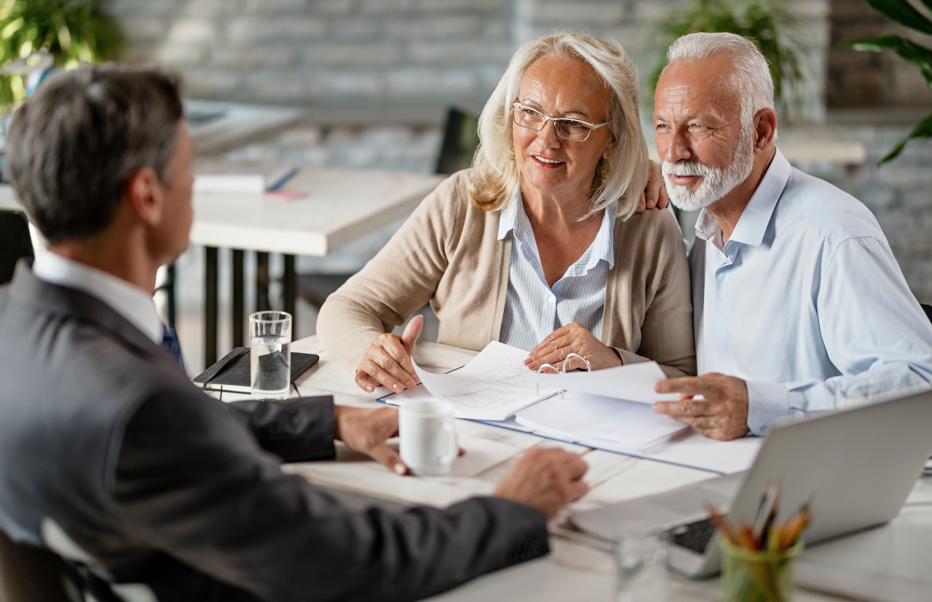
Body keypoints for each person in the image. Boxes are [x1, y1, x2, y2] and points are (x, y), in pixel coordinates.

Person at [0, 66, 591, 602]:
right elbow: (352, 563)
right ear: (148, 196)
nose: (194, 185)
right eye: (188, 169)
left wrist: (327, 421)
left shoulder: (20, 330)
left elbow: (164, 438)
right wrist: (508, 509)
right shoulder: (139, 405)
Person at [318, 32, 695, 394]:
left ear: (611, 137)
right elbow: (348, 308)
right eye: (530, 113)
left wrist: (614, 361)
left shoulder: (650, 227)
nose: (546, 139)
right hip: (475, 436)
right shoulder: (462, 204)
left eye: (574, 123)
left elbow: (681, 375)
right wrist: (371, 353)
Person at [650, 32, 932, 440]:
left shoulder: (835, 235)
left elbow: (920, 382)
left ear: (761, 131)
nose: (673, 150)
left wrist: (766, 408)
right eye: (662, 125)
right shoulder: (705, 234)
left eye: (698, 126)